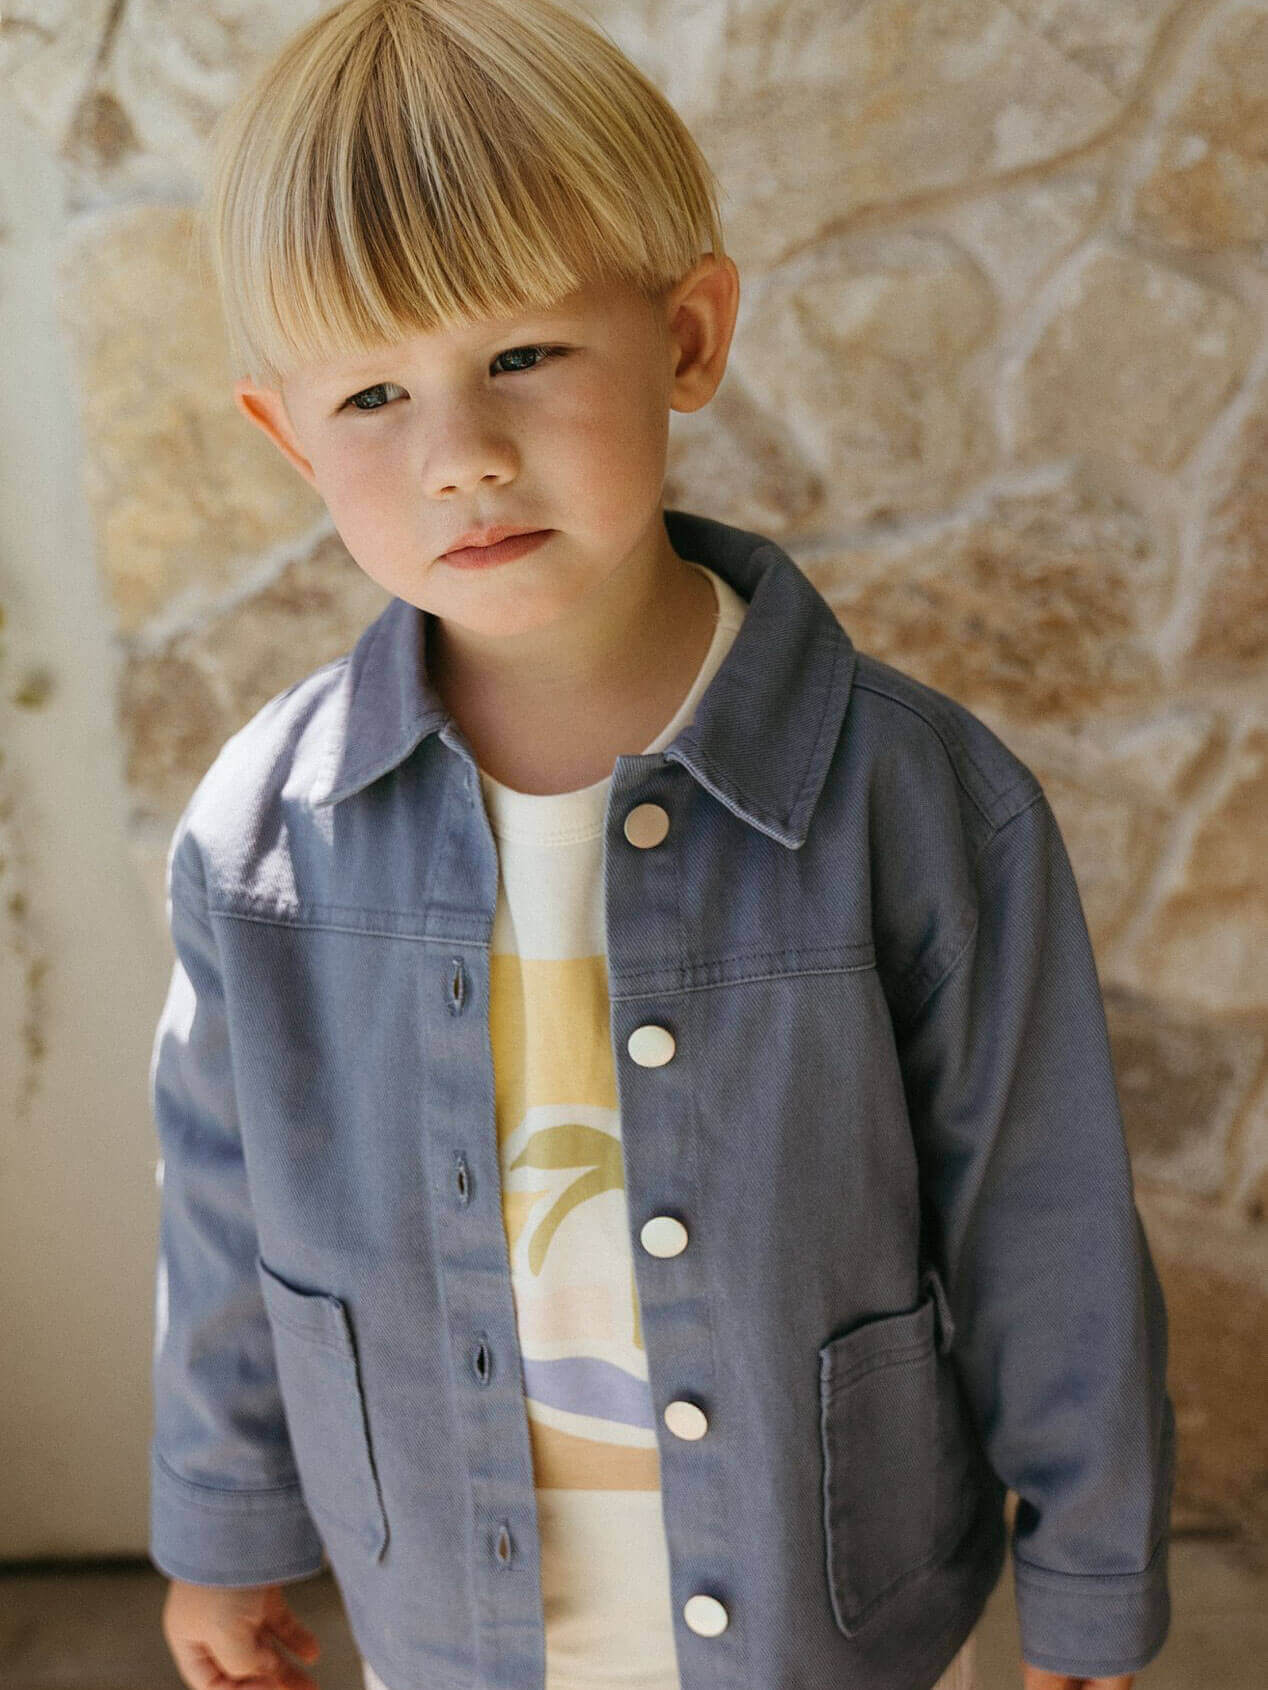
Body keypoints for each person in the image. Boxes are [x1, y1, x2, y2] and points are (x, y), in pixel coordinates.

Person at [148, 3, 1175, 1689]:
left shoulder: (919, 805)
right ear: (287, 435)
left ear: (688, 337)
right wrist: (220, 1528)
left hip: (834, 1616)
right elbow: (221, 1222)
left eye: (526, 356)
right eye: (375, 391)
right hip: (452, 1620)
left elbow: (1046, 1231)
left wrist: (1088, 1585)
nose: (462, 453)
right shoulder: (261, 843)